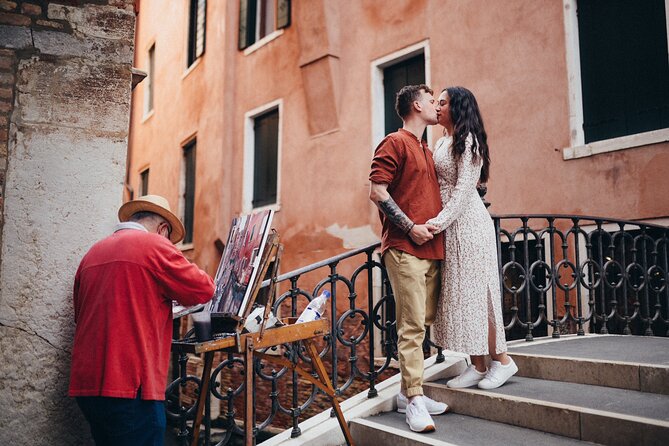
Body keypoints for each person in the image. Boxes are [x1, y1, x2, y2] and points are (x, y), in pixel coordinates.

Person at [69, 195, 215, 445]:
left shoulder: (93, 253)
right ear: (162, 229)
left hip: (87, 387)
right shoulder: (154, 246)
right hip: (130, 386)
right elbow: (204, 289)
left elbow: (79, 312)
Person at [426, 87, 518, 390]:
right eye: (436, 102)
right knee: (464, 297)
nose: (437, 107)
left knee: (482, 294)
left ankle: (502, 361)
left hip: (469, 225)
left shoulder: (469, 141)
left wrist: (437, 223)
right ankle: (477, 364)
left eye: (443, 102)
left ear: (459, 107)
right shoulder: (441, 141)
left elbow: (465, 190)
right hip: (451, 228)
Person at [369, 84, 449, 433]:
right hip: (404, 247)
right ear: (416, 105)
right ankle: (415, 400)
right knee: (413, 325)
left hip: (433, 248)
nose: (436, 106)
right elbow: (377, 190)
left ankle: (407, 393)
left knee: (424, 320)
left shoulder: (427, 150)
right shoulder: (394, 142)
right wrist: (409, 226)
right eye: (432, 101)